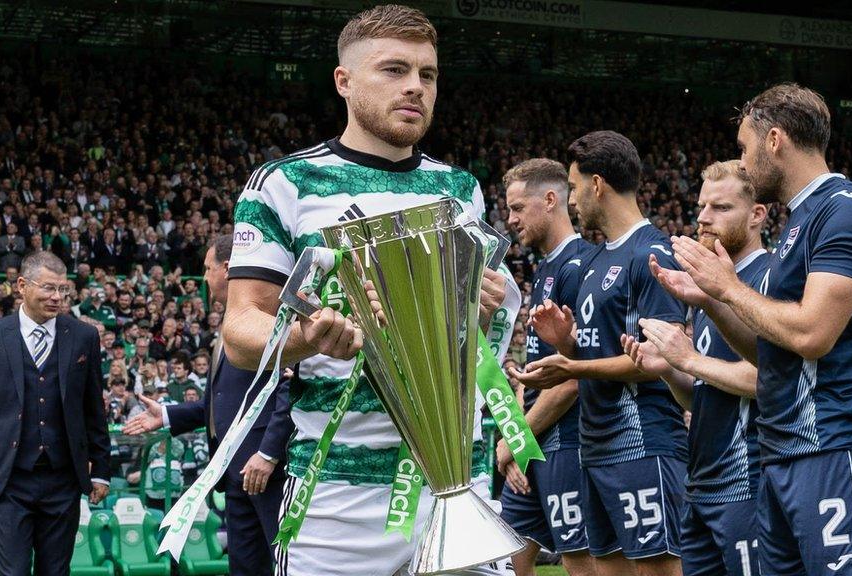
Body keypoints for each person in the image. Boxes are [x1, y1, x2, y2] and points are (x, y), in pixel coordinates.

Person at [222, 5, 519, 575]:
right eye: (394, 70)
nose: (415, 87)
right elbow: (240, 331)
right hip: (341, 493)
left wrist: (478, 313)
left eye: (427, 75)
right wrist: (307, 337)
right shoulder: (286, 183)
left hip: (457, 477)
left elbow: (462, 347)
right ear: (344, 81)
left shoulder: (459, 189)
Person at [656, 84, 852, 576]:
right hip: (781, 454)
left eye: (745, 148)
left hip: (831, 444)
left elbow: (812, 335)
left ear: (775, 140)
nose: (742, 164)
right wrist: (714, 299)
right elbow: (770, 355)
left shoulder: (847, 207)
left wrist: (729, 288)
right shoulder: (799, 221)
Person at [518, 131, 687, 576]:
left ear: (597, 185)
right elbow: (592, 354)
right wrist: (565, 343)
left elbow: (661, 358)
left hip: (642, 442)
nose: (572, 200)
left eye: (574, 187)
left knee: (659, 569)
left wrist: (570, 365)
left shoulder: (652, 253)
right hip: (594, 447)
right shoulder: (595, 261)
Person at [621, 160, 768, 576]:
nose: (703, 218)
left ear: (757, 215)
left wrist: (689, 359)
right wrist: (670, 368)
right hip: (701, 484)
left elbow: (766, 377)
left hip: (747, 483)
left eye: (720, 208)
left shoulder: (766, 279)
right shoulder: (707, 287)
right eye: (702, 206)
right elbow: (701, 394)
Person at [125, 234, 293, 576]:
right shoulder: (231, 323)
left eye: (206, 268)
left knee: (285, 564)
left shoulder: (270, 317)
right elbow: (224, 403)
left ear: (228, 269)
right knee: (245, 567)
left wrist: (269, 452)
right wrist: (169, 414)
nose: (202, 277)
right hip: (235, 472)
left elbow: (289, 387)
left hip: (266, 469)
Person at [0, 251, 111, 576]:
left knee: (56, 571)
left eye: (63, 290)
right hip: (7, 480)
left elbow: (94, 409)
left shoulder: (84, 336)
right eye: (49, 288)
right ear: (22, 285)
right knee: (13, 572)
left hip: (64, 479)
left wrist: (101, 470)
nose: (57, 298)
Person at [499, 159, 597, 576]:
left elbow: (575, 377)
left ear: (551, 199)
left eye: (518, 207)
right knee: (508, 555)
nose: (510, 218)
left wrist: (517, 442)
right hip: (536, 446)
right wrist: (519, 444)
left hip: (570, 446)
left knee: (582, 563)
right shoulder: (544, 271)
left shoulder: (582, 267)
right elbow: (535, 372)